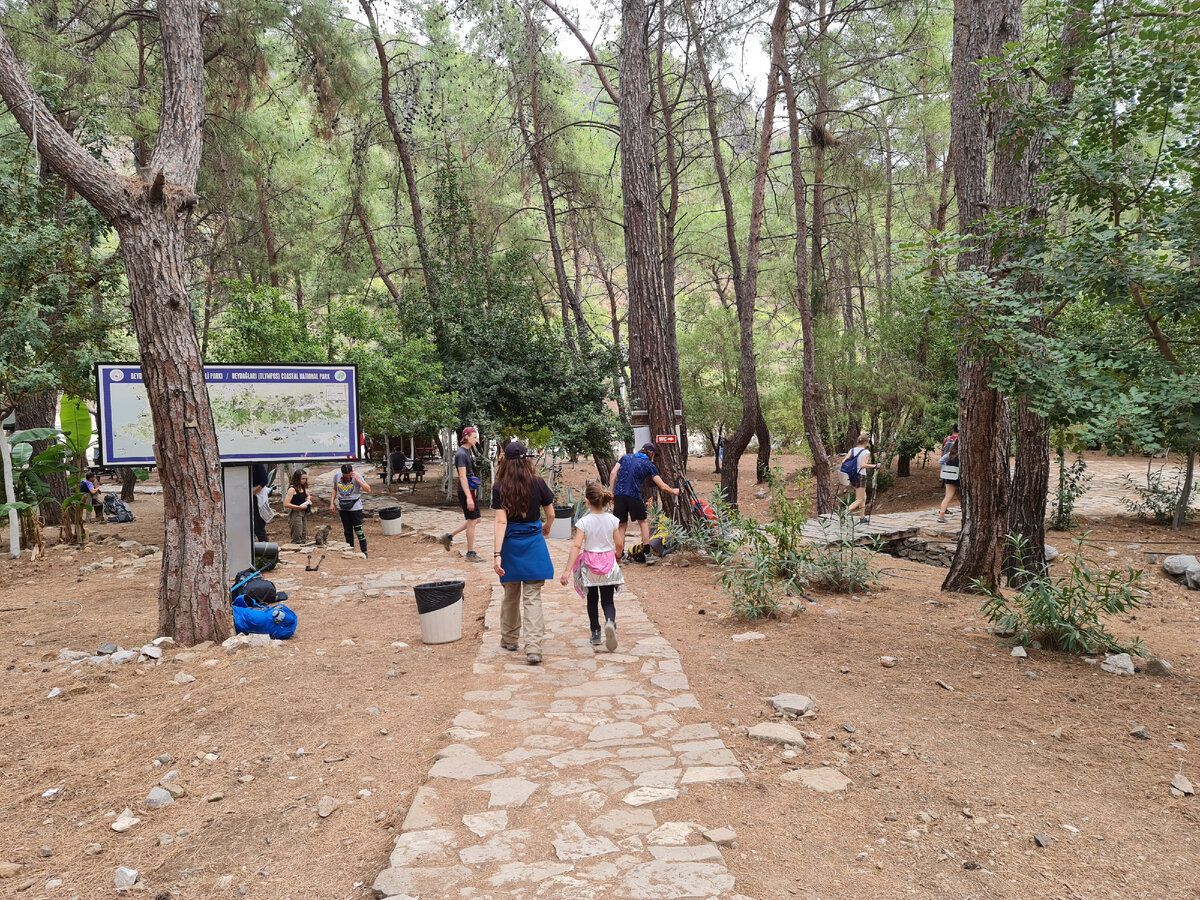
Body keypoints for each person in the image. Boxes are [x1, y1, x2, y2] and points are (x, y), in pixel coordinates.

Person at [492, 441, 555, 665]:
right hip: (533, 545)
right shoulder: (538, 483)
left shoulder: (499, 487)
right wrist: (546, 526)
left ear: (506, 462)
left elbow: (501, 522)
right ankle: (534, 648)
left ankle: (509, 639)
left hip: (510, 546)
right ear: (527, 459)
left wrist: (497, 554)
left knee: (510, 595)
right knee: (533, 597)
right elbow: (551, 513)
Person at [560, 481, 624, 652]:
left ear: (587, 501)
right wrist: (617, 556)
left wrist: (567, 570)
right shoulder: (612, 520)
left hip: (590, 565)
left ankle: (595, 632)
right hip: (608, 563)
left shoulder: (584, 521)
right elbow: (618, 543)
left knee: (592, 599)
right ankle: (610, 622)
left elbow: (576, 546)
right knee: (608, 600)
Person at [608, 443, 681, 556]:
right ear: (650, 453)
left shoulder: (625, 457)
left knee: (621, 525)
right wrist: (674, 491)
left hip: (619, 495)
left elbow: (613, 473)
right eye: (654, 455)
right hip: (634, 495)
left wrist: (612, 493)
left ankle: (619, 555)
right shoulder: (649, 465)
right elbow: (662, 486)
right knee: (643, 522)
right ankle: (647, 553)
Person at [441, 426, 482, 561]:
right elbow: (463, 477)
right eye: (474, 437)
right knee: (472, 521)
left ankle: (449, 536)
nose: (476, 440)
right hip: (466, 490)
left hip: (469, 489)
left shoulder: (467, 451)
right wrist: (469, 497)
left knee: (476, 520)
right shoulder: (461, 454)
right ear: (467, 437)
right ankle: (470, 553)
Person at [329, 463, 371, 557]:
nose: (346, 478)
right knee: (347, 531)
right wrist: (332, 503)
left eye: (348, 476)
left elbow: (368, 489)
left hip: (355, 507)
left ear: (351, 472)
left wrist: (358, 480)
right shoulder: (337, 475)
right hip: (343, 506)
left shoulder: (357, 476)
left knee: (358, 530)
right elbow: (335, 489)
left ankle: (364, 551)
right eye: (345, 476)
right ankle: (350, 550)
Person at [838, 435, 879, 519]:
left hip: (852, 476)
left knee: (863, 497)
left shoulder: (852, 450)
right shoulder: (866, 452)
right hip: (861, 476)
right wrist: (875, 466)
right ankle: (845, 512)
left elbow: (843, 461)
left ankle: (862, 517)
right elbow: (863, 465)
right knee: (859, 499)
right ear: (865, 442)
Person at [283, 469, 313, 543]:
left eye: (305, 479)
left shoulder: (303, 487)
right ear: (297, 478)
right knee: (297, 533)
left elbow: (308, 495)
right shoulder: (292, 489)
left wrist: (308, 499)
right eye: (303, 479)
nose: (304, 481)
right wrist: (299, 507)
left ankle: (302, 545)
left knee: (303, 532)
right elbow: (286, 504)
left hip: (303, 512)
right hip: (295, 513)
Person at [938, 438, 960, 523]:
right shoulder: (963, 454)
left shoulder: (950, 454)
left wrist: (947, 468)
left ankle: (941, 515)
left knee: (948, 496)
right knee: (960, 495)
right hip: (957, 477)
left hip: (949, 476)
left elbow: (940, 461)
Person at [252, 463, 271, 542]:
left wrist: (254, 492)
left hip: (258, 494)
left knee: (258, 525)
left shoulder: (258, 465)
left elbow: (264, 481)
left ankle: (265, 547)